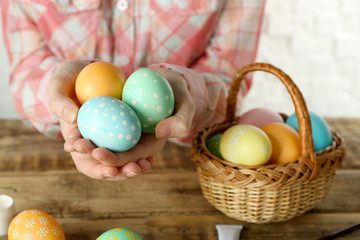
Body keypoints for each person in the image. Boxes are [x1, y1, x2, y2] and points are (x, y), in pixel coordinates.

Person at [1, 0, 265, 181]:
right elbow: (27, 71)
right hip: (54, 161)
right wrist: (63, 92)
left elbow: (230, 75)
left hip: (190, 168)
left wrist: (185, 88)